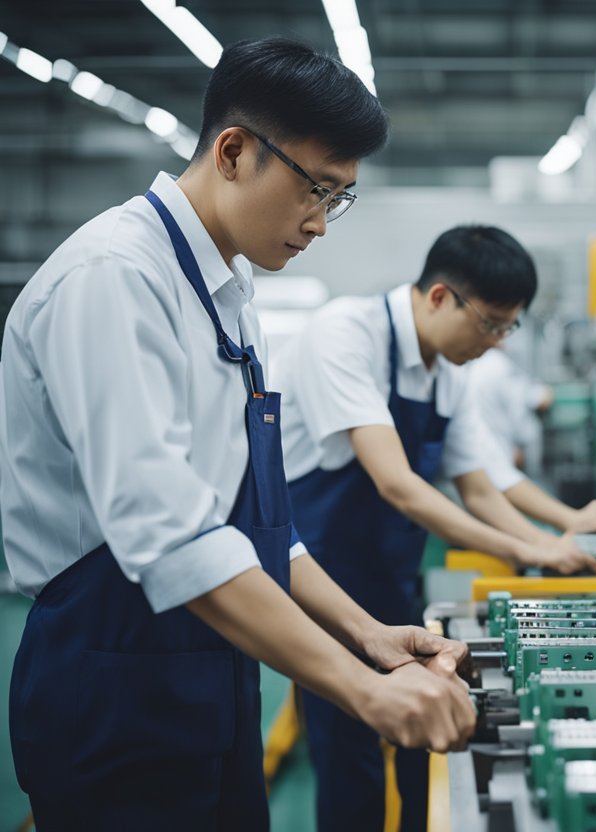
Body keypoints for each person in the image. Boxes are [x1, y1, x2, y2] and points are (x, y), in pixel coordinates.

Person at [0, 38, 475, 832]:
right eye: (315, 190)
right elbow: (173, 534)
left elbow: (252, 528)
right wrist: (359, 691)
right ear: (233, 152)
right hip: (114, 691)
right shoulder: (115, 281)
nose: (322, 223)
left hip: (213, 677)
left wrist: (366, 638)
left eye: (340, 198)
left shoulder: (229, 291)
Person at [276, 224, 596, 830]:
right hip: (323, 580)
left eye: (509, 327)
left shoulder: (448, 366)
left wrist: (549, 543)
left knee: (421, 742)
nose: (498, 341)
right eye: (490, 323)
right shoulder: (346, 335)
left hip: (392, 576)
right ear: (439, 297)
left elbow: (480, 485)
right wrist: (524, 547)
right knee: (348, 751)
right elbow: (395, 484)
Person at [468, 344, 596, 533]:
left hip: (494, 467)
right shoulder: (498, 367)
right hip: (500, 464)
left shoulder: (475, 368)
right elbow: (536, 401)